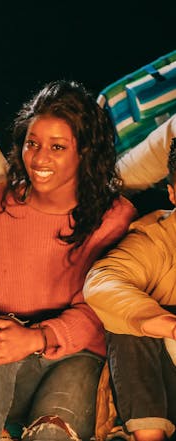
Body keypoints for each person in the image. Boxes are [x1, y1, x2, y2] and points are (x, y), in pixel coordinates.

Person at [0, 80, 137, 441]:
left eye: (57, 147)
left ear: (84, 152)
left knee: (51, 435)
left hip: (76, 356)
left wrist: (36, 337)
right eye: (32, 144)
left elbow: (102, 310)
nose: (39, 159)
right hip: (4, 350)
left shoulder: (113, 217)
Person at [84, 137, 176, 441]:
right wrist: (159, 321)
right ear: (173, 193)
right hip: (167, 384)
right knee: (130, 322)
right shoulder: (156, 239)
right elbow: (103, 280)